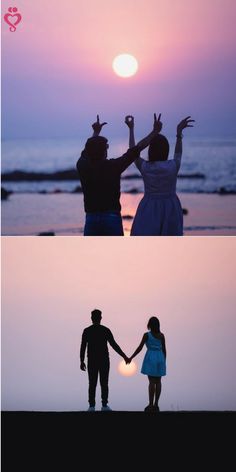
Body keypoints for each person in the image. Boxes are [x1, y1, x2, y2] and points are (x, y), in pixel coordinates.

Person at [76, 114, 162, 236]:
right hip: (112, 218)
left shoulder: (82, 166)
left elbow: (86, 152)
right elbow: (137, 149)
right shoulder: (113, 166)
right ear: (104, 151)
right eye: (106, 147)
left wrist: (95, 133)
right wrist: (155, 132)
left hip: (91, 219)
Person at [125, 114, 195, 235]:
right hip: (171, 207)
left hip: (149, 207)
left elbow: (133, 152)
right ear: (166, 150)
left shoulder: (146, 167)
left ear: (150, 150)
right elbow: (178, 153)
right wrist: (179, 133)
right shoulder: (172, 166)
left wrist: (131, 129)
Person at [80, 308, 129, 412]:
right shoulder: (105, 330)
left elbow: (83, 347)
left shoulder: (87, 331)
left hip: (92, 360)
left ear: (91, 318)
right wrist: (124, 356)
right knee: (104, 383)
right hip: (104, 360)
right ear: (101, 318)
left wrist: (81, 361)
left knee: (92, 383)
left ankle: (92, 406)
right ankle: (104, 405)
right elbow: (114, 345)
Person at [127, 316, 166, 412]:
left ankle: (150, 404)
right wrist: (164, 361)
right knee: (158, 381)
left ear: (149, 325)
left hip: (151, 357)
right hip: (160, 357)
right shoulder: (161, 335)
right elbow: (164, 349)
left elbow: (140, 348)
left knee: (152, 382)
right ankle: (156, 404)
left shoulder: (147, 335)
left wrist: (131, 357)